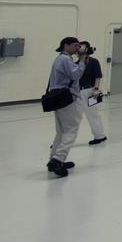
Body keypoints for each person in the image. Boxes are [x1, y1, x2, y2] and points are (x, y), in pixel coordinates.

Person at [47, 37, 85, 177]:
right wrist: (81, 60)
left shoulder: (60, 59)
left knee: (61, 131)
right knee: (70, 131)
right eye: (75, 46)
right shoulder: (65, 59)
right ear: (66, 45)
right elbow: (76, 74)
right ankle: (58, 160)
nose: (77, 48)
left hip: (59, 98)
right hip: (68, 99)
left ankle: (54, 158)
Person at [78, 41, 107, 145]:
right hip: (79, 91)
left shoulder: (94, 61)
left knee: (93, 114)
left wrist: (96, 89)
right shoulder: (77, 63)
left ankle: (100, 135)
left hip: (90, 91)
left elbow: (97, 76)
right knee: (76, 115)